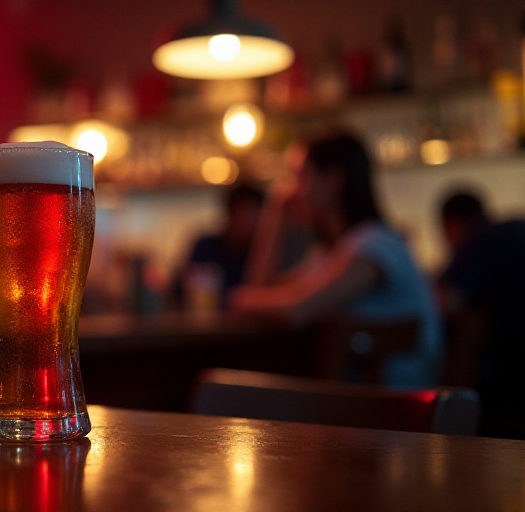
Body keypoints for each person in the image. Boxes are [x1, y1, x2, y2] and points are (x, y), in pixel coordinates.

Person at [232, 133, 442, 388]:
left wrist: (244, 299)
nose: (291, 190)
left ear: (332, 179)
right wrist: (275, 215)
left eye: (301, 177)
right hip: (358, 403)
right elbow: (263, 290)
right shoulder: (330, 253)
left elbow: (295, 310)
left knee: (241, 392)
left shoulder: (375, 247)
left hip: (397, 411)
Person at [436, 190, 525, 428]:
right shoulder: (513, 230)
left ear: (451, 223)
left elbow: (446, 303)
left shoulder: (476, 240)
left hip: (509, 383)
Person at [168, 183, 264, 310]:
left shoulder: (263, 253)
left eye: (253, 215)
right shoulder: (205, 246)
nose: (247, 223)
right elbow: (178, 290)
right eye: (242, 214)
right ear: (229, 213)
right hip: (205, 325)